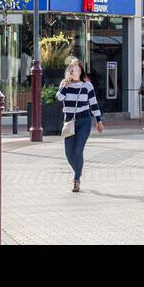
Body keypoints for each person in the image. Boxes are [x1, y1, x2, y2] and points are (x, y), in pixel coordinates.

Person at [56, 57, 104, 192]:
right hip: (69, 122)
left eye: (77, 69)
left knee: (78, 151)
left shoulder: (87, 85)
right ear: (69, 71)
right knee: (68, 153)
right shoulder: (64, 84)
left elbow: (93, 104)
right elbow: (59, 98)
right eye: (73, 69)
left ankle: (76, 179)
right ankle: (79, 170)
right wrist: (66, 86)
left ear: (81, 70)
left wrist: (98, 121)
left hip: (84, 121)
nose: (75, 72)